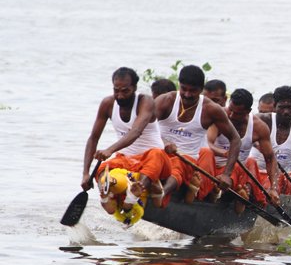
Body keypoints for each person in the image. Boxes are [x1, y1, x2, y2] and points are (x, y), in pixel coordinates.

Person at [82, 67, 171, 224]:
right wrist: (86, 173)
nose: (120, 95)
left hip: (153, 159)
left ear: (135, 88)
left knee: (156, 154)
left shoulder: (146, 101)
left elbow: (135, 132)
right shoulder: (108, 104)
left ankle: (135, 194)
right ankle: (108, 195)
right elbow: (93, 137)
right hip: (127, 160)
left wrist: (109, 149)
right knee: (104, 168)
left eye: (125, 91)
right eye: (116, 90)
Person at [156, 65, 241, 204]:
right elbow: (143, 127)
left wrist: (226, 174)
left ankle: (161, 194)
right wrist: (164, 143)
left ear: (201, 90)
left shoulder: (211, 109)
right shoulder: (165, 100)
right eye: (184, 89)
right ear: (179, 85)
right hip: (159, 152)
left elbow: (235, 139)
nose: (187, 94)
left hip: (186, 160)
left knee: (181, 164)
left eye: (193, 91)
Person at [205, 88, 279, 207]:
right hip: (213, 168)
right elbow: (208, 143)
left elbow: (270, 159)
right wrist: (224, 153)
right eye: (231, 110)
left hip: (237, 172)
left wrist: (274, 188)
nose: (232, 115)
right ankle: (222, 193)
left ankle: (244, 196)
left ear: (248, 111)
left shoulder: (259, 127)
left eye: (238, 113)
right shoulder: (219, 116)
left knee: (250, 162)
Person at [251, 86, 291, 196]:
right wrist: (256, 144)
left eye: (290, 107)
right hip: (257, 173)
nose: (286, 112)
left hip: (282, 177)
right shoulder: (261, 120)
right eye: (281, 107)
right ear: (274, 106)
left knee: (288, 181)